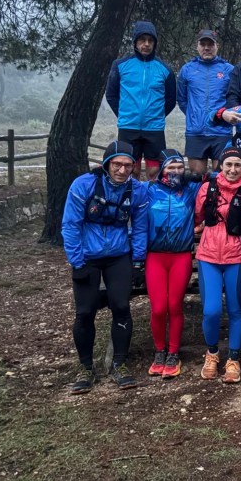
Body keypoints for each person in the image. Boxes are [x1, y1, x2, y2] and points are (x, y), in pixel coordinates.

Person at [61, 141, 148, 393]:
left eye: (128, 165)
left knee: (121, 306)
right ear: (106, 164)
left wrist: (138, 261)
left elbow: (140, 226)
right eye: (117, 164)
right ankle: (86, 368)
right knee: (85, 312)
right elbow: (70, 225)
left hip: (119, 255)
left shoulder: (137, 190)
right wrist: (76, 261)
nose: (122, 170)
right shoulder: (83, 185)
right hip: (88, 255)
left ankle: (120, 364)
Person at [194, 146, 241, 383]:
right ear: (220, 166)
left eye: (237, 165)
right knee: (211, 310)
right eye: (228, 165)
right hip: (209, 256)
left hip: (236, 256)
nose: (232, 169)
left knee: (235, 309)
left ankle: (233, 358)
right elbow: (198, 216)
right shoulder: (206, 189)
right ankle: (212, 353)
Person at [145, 149, 204, 379]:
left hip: (180, 255)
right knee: (159, 308)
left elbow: (219, 179)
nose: (177, 172)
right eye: (171, 168)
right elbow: (125, 186)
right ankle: (159, 351)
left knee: (174, 306)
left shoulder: (189, 190)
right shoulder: (149, 190)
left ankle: (173, 353)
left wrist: (200, 176)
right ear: (162, 170)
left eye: (180, 167)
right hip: (155, 256)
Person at [105, 20, 177, 180]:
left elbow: (171, 100)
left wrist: (156, 115)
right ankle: (131, 202)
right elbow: (111, 95)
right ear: (135, 42)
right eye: (142, 40)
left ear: (155, 43)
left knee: (155, 172)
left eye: (150, 41)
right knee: (131, 171)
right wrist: (125, 114)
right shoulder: (120, 65)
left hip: (154, 129)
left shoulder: (165, 70)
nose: (146, 44)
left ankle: (151, 203)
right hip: (128, 127)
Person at [177, 29, 235, 174]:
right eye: (203, 44)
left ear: (217, 46)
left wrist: (222, 117)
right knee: (197, 178)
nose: (207, 48)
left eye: (210, 44)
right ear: (197, 46)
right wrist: (195, 115)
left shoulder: (228, 70)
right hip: (196, 132)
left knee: (222, 176)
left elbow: (234, 98)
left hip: (221, 131)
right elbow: (182, 99)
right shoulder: (187, 70)